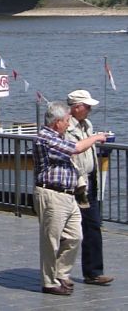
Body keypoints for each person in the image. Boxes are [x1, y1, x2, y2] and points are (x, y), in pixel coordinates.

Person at [34, 101, 108, 295]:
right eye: (66, 120)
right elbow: (75, 148)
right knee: (51, 240)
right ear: (57, 122)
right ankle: (49, 282)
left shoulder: (58, 136)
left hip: (68, 195)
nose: (68, 124)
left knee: (76, 236)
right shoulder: (46, 138)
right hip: (51, 194)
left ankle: (61, 273)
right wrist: (96, 137)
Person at [63, 90, 115, 286]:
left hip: (90, 181)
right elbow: (72, 150)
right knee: (68, 230)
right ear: (76, 107)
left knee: (93, 225)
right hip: (76, 183)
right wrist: (95, 138)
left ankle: (94, 271)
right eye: (87, 106)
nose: (90, 109)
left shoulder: (87, 124)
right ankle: (61, 273)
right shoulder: (66, 127)